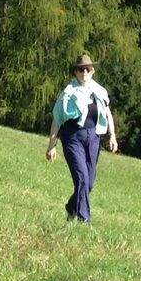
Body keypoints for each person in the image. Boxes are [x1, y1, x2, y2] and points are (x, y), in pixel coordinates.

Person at [45, 54, 117, 222]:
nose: (84, 72)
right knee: (82, 178)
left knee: (89, 182)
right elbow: (57, 119)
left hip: (93, 138)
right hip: (73, 138)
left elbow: (107, 114)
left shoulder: (99, 92)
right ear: (75, 72)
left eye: (87, 69)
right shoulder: (68, 94)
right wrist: (52, 145)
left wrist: (112, 135)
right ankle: (84, 219)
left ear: (92, 71)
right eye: (80, 69)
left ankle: (72, 207)